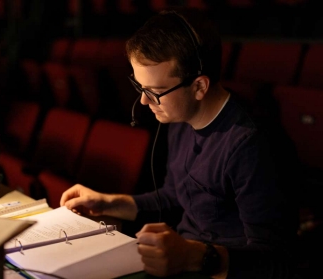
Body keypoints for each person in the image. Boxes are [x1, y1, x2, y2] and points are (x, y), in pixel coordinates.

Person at [60, 8, 301, 279]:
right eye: (140, 88)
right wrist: (109, 203)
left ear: (199, 87)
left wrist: (193, 256)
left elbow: (277, 262)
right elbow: (175, 195)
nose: (143, 102)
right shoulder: (179, 117)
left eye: (154, 92)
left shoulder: (251, 146)